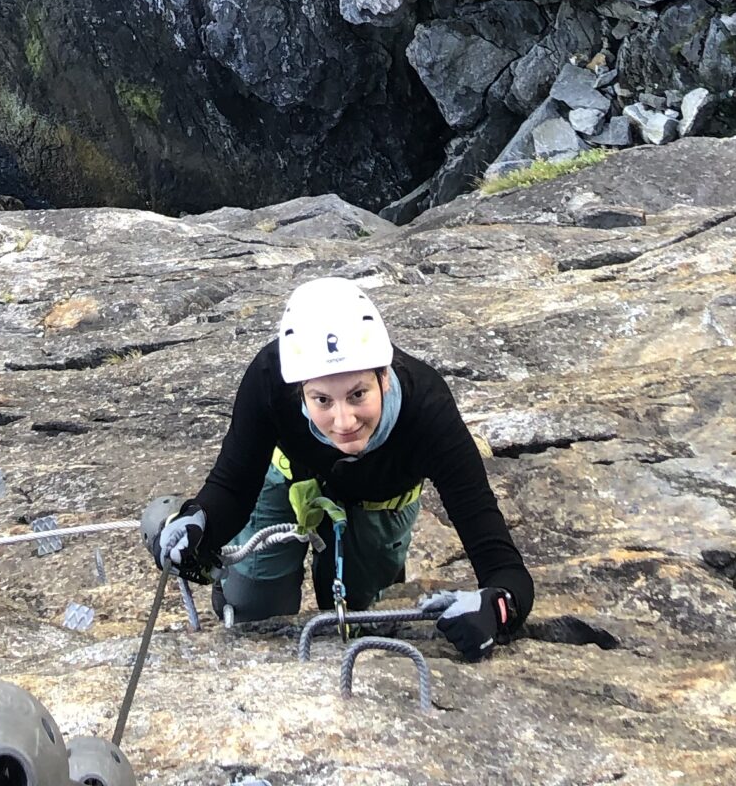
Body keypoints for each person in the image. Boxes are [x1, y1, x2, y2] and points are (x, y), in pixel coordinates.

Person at [143, 278, 532, 657]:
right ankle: (236, 588)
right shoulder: (269, 379)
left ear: (385, 375)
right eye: (322, 400)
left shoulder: (428, 412)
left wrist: (495, 609)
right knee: (254, 610)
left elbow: (504, 567)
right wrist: (198, 523)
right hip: (293, 474)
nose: (343, 421)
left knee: (356, 617)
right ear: (299, 390)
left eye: (358, 394)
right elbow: (232, 487)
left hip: (378, 499)